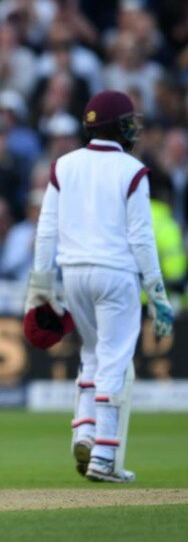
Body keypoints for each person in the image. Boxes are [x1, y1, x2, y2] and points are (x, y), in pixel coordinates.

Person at [26, 90, 174, 484]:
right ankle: (105, 456)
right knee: (114, 359)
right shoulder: (132, 170)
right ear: (117, 127)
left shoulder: (63, 165)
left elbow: (46, 230)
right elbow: (141, 239)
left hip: (73, 272)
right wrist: (158, 295)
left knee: (92, 354)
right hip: (116, 274)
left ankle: (85, 431)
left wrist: (41, 285)